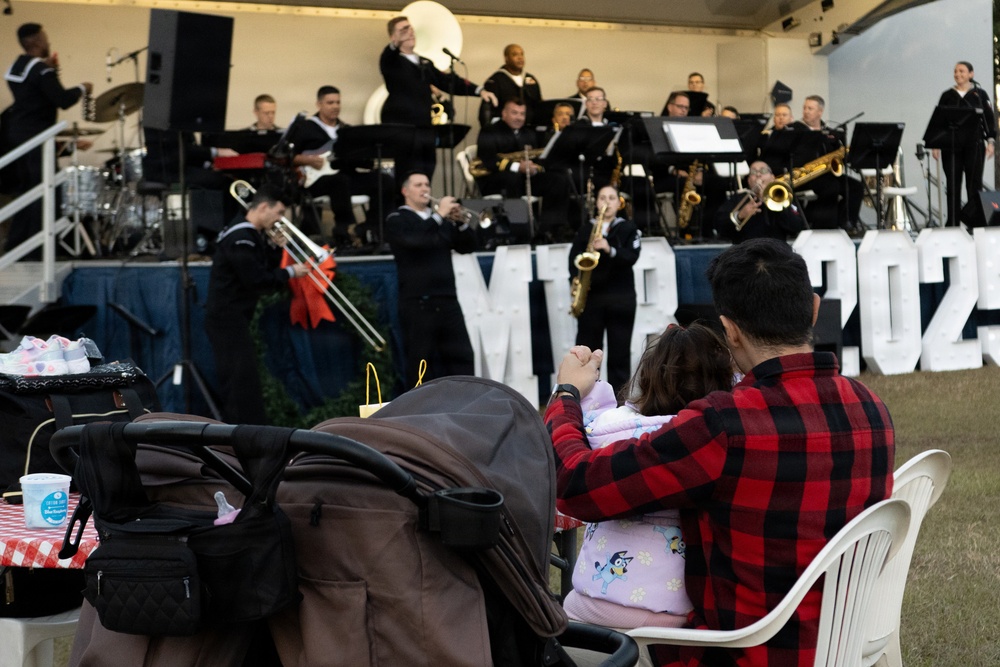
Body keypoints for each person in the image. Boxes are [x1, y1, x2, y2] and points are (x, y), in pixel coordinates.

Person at [546, 237, 894, 667]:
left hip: (734, 654)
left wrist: (565, 395)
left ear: (729, 330)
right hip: (845, 645)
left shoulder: (723, 424)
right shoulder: (872, 409)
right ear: (815, 310)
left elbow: (576, 484)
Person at [563, 323, 735, 630]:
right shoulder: (704, 435)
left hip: (587, 601)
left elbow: (587, 423)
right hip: (670, 610)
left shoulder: (609, 428)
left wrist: (588, 387)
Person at [204, 187, 309, 425]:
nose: (281, 219)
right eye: (279, 212)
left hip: (233, 317)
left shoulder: (246, 235)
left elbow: (259, 270)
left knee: (242, 377)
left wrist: (273, 248)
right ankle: (241, 430)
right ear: (263, 207)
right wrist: (291, 271)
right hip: (227, 318)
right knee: (239, 379)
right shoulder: (241, 237)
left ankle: (243, 427)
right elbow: (256, 279)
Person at [3, 23, 92, 254]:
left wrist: (48, 71)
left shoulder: (18, 67)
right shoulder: (42, 72)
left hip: (17, 135)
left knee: (28, 192)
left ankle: (18, 246)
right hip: (36, 139)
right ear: (36, 42)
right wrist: (82, 88)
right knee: (44, 192)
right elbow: (62, 99)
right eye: (44, 38)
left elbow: (34, 92)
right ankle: (37, 249)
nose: (48, 42)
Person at [385, 172, 477, 387]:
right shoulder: (397, 220)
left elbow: (468, 246)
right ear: (405, 191)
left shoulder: (440, 220)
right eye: (418, 185)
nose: (425, 188)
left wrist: (461, 222)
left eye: (427, 184)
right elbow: (417, 241)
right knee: (420, 363)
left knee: (462, 358)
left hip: (447, 301)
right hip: (418, 303)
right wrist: (439, 216)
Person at [379, 16, 496, 178]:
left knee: (426, 171)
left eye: (410, 28)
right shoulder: (392, 62)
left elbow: (448, 81)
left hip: (425, 128)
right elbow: (387, 55)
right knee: (405, 174)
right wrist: (395, 44)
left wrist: (479, 90)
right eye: (403, 30)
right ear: (393, 37)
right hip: (402, 129)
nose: (409, 32)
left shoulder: (424, 63)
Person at [569, 184, 641, 394]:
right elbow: (573, 260)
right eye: (602, 198)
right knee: (587, 353)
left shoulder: (628, 228)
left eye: (611, 198)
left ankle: (619, 402)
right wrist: (576, 282)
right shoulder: (585, 230)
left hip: (621, 300)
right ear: (597, 203)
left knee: (619, 355)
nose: (606, 202)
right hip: (592, 299)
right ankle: (586, 398)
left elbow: (632, 257)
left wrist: (610, 249)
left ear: (619, 203)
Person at [476, 99, 572, 239]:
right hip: (496, 181)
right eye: (514, 113)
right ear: (504, 113)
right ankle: (519, 233)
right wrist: (516, 167)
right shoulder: (489, 131)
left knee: (558, 180)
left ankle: (549, 230)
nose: (519, 117)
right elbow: (489, 160)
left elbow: (538, 160)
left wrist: (534, 168)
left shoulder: (528, 133)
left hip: (524, 179)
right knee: (511, 178)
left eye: (522, 114)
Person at [284, 85, 357, 245]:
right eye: (330, 103)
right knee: (340, 181)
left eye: (338, 102)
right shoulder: (305, 128)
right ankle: (343, 231)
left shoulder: (347, 130)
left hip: (345, 176)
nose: (335, 107)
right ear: (319, 104)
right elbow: (286, 155)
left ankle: (370, 230)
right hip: (314, 180)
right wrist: (307, 160)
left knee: (382, 181)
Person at [932, 61, 997, 227]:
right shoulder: (947, 95)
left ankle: (975, 223)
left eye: (961, 71)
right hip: (951, 146)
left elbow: (988, 119)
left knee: (974, 186)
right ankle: (953, 223)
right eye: (955, 71)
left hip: (974, 145)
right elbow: (939, 120)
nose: (958, 74)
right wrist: (936, 144)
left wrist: (991, 142)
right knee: (953, 185)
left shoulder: (979, 95)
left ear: (971, 74)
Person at [791, 95, 862, 231]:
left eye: (810, 108)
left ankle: (845, 223)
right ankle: (823, 227)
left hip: (826, 173)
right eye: (804, 108)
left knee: (856, 187)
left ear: (820, 112)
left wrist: (837, 144)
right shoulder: (796, 130)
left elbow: (837, 156)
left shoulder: (828, 131)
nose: (806, 111)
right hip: (805, 176)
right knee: (831, 186)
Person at [714, 161, 805, 242]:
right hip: (745, 252)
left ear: (772, 178)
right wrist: (740, 215)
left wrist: (771, 201)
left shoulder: (783, 196)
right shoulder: (738, 198)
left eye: (763, 171)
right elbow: (720, 226)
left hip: (776, 253)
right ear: (749, 180)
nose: (758, 175)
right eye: (753, 172)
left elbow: (796, 227)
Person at [480, 44, 542, 127]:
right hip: (504, 132)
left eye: (522, 54)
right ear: (506, 58)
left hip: (528, 132)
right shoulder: (495, 80)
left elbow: (538, 105)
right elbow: (486, 112)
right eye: (515, 54)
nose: (520, 57)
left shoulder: (530, 79)